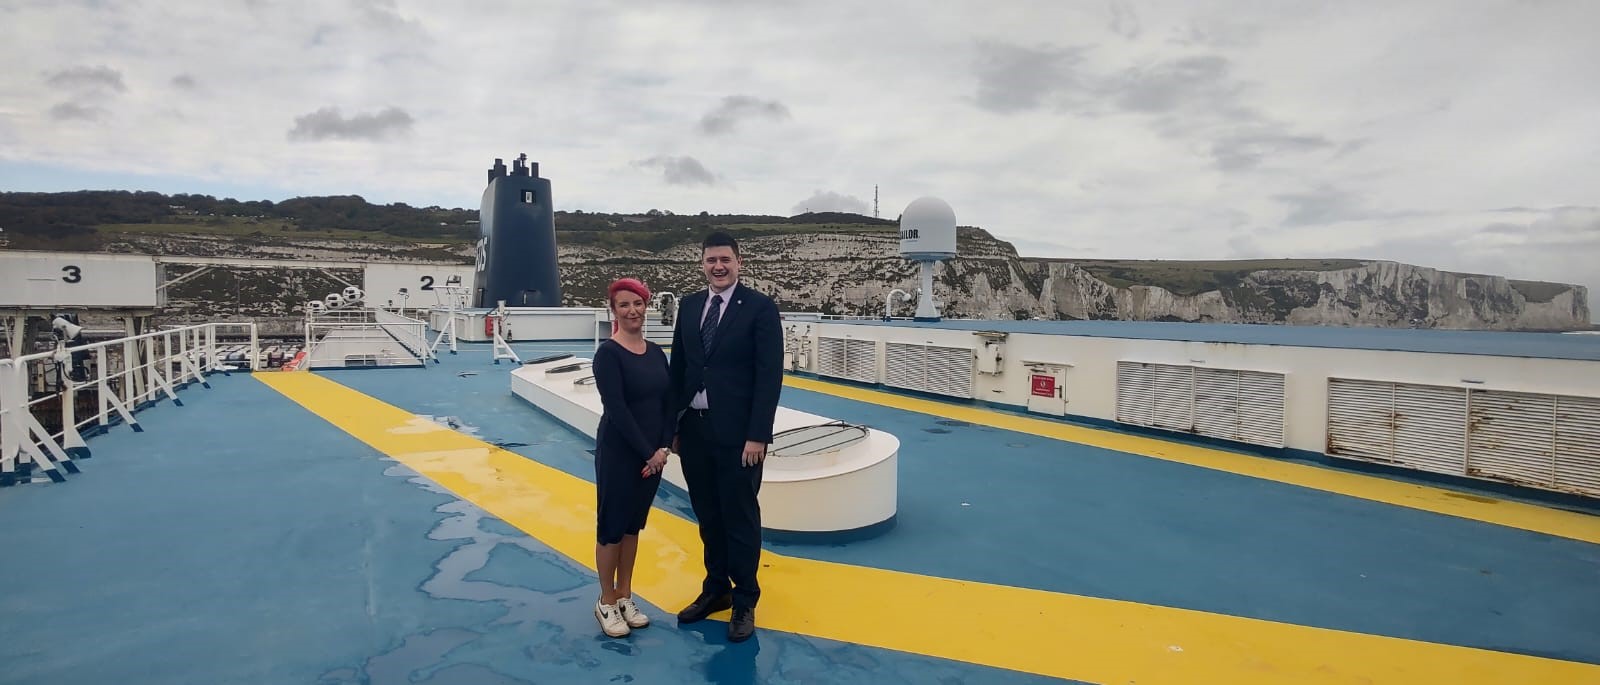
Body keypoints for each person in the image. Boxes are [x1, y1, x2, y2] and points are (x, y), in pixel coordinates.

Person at [667, 231, 783, 643]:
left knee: (740, 517)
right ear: (702, 263)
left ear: (739, 262)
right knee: (708, 515)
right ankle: (716, 588)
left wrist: (758, 435)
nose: (718, 266)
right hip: (695, 431)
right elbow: (678, 369)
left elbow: (769, 377)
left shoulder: (759, 308)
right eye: (711, 260)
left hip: (739, 437)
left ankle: (745, 599)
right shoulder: (691, 306)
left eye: (725, 260)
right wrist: (674, 427)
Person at [590, 278, 674, 638]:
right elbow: (618, 410)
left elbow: (668, 403)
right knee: (611, 527)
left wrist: (664, 447)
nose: (632, 311)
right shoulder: (608, 355)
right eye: (624, 305)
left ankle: (625, 594)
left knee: (632, 526)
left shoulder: (656, 353)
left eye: (637, 304)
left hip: (654, 455)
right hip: (621, 454)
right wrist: (648, 453)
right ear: (615, 311)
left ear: (646, 306)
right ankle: (606, 600)